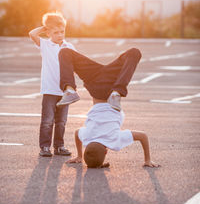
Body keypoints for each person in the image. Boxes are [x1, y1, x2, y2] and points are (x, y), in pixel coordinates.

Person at [29, 11, 76, 157]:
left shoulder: (69, 47)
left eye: (62, 32)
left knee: (61, 122)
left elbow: (77, 65)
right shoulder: (45, 45)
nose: (60, 35)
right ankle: (44, 147)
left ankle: (59, 146)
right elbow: (32, 34)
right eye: (56, 32)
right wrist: (45, 27)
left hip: (64, 92)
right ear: (48, 33)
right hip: (49, 90)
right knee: (47, 121)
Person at [66, 98, 160, 168]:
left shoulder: (114, 140)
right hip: (97, 99)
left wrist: (147, 160)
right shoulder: (86, 137)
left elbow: (143, 136)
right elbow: (77, 132)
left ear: (106, 152)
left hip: (113, 99)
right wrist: (79, 155)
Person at [56, 46, 142, 111]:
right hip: (112, 80)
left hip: (93, 77)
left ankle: (70, 91)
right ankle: (117, 93)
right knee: (134, 52)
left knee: (64, 52)